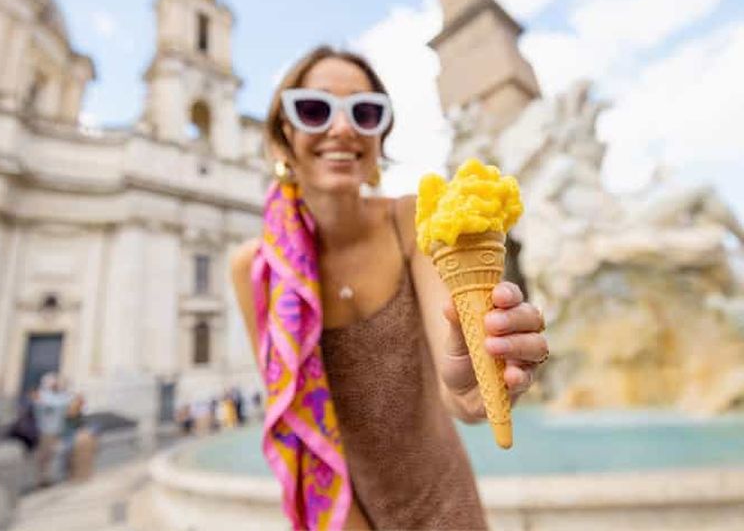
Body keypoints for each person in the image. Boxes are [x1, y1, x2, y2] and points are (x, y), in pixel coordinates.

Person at [230, 46, 550, 530]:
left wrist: (482, 371)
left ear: (379, 138)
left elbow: (461, 394)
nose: (341, 128)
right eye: (314, 109)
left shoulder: (412, 221)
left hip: (445, 504)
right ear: (284, 135)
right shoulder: (255, 267)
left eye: (365, 112)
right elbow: (290, 422)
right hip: (342, 518)